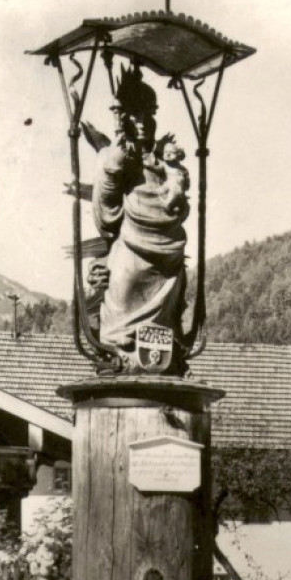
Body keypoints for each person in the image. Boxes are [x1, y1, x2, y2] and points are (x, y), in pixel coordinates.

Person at [92, 64, 191, 369]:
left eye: (151, 112)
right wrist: (117, 163)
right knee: (120, 331)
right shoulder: (114, 156)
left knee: (164, 338)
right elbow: (105, 215)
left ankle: (162, 367)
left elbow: (180, 205)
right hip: (131, 255)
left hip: (167, 264)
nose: (145, 121)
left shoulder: (164, 157)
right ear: (124, 119)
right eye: (137, 115)